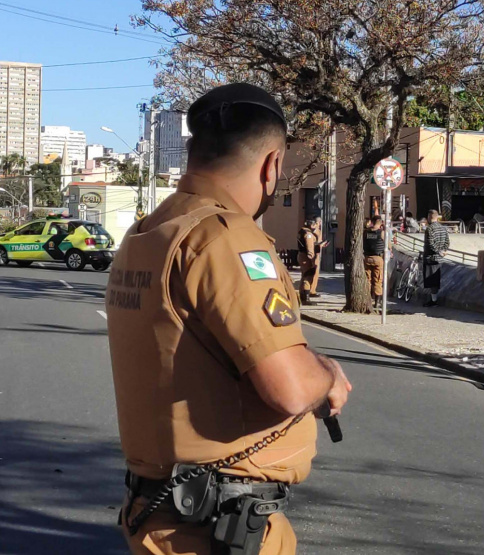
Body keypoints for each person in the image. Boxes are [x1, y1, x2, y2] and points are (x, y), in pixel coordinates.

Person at [106, 83, 352, 555]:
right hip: (219, 530)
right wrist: (329, 376)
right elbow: (293, 389)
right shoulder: (225, 237)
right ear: (272, 165)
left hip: (162, 514)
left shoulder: (147, 233)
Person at [422, 209, 450, 307]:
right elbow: (447, 242)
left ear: (430, 217)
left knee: (432, 281)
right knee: (435, 280)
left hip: (431, 258)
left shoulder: (429, 229)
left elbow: (430, 243)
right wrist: (443, 250)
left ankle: (433, 301)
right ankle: (433, 300)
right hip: (439, 259)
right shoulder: (443, 228)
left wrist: (438, 251)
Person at [363, 216, 386, 311]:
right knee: (378, 280)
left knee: (367, 280)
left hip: (367, 258)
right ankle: (377, 302)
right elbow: (388, 245)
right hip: (378, 258)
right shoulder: (382, 232)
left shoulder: (365, 232)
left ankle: (367, 300)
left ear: (372, 222)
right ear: (380, 223)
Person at [297, 216, 320, 305]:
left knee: (303, 275)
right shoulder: (308, 234)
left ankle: (301, 295)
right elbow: (310, 247)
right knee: (308, 275)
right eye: (314, 224)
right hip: (306, 257)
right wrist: (312, 259)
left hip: (301, 255)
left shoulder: (301, 232)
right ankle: (306, 298)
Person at [309, 216, 329, 298]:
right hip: (314, 253)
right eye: (319, 223)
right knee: (314, 272)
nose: (320, 224)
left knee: (315, 273)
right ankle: (311, 291)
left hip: (317, 252)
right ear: (317, 223)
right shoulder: (314, 231)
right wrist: (321, 245)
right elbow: (314, 243)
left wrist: (322, 245)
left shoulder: (318, 231)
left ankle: (312, 289)